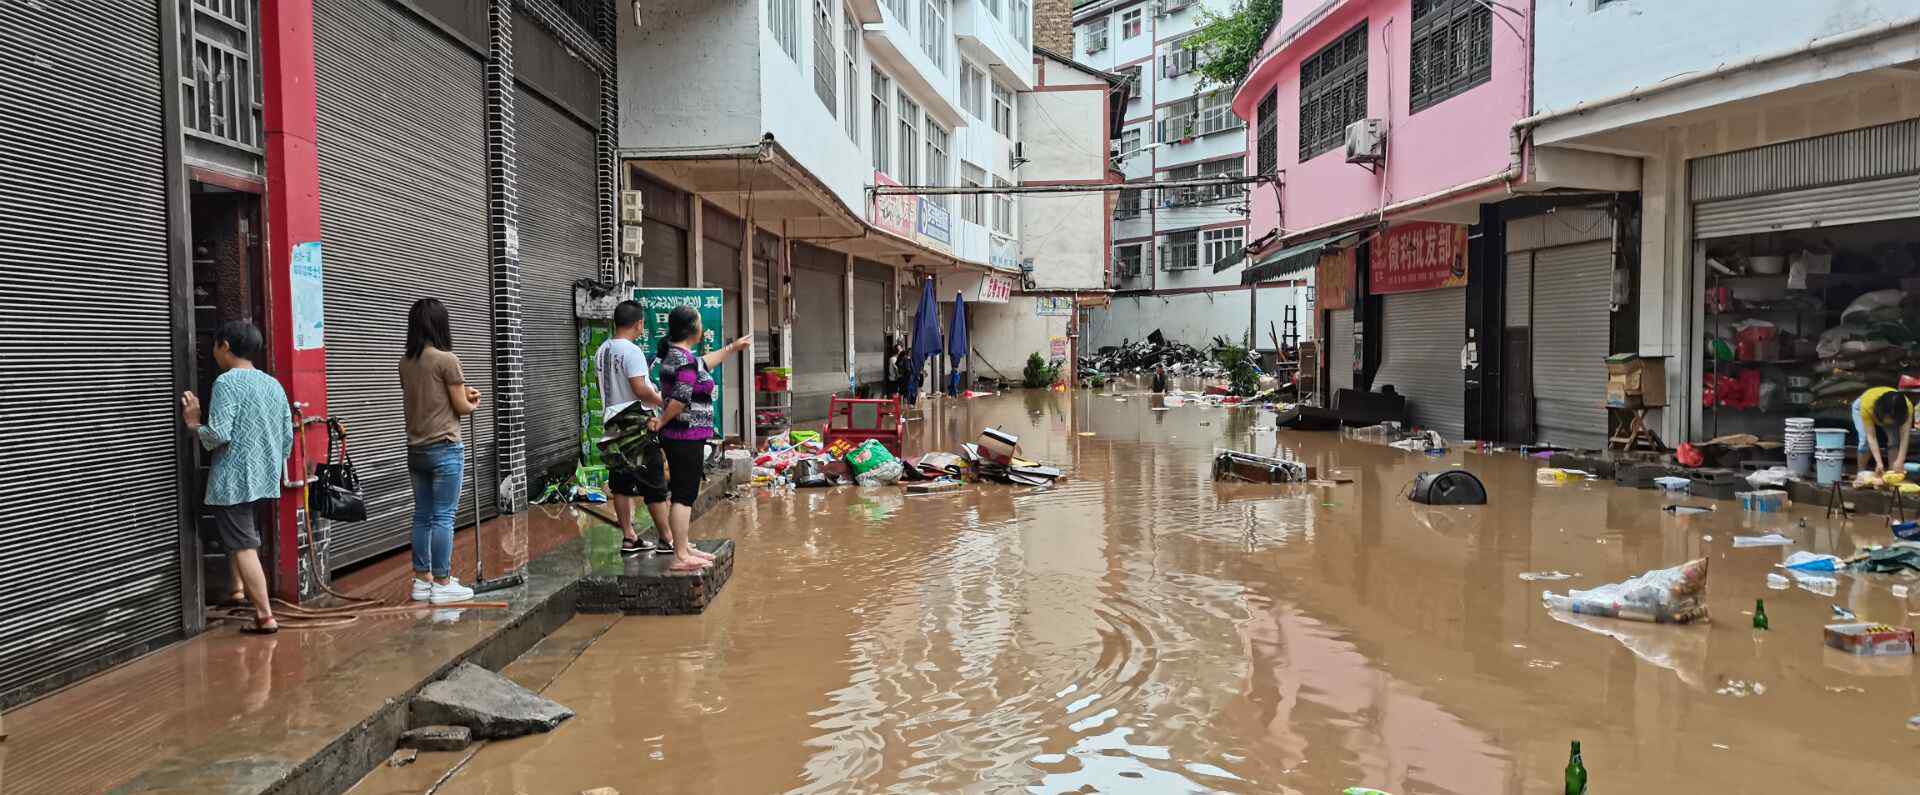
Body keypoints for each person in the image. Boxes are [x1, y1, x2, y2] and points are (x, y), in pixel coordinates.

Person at [180, 320, 293, 635]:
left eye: (214, 346)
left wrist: (193, 423)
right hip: (263, 477)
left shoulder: (227, 382)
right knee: (243, 536)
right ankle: (237, 591)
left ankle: (265, 616)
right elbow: (286, 437)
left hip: (234, 479)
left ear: (225, 346)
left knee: (243, 544)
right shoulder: (272, 384)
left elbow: (218, 434)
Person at [647, 305, 751, 572]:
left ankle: (683, 545)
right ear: (693, 329)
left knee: (683, 493)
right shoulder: (683, 360)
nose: (703, 327)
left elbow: (704, 363)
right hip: (684, 435)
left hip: (683, 435)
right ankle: (680, 555)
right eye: (700, 323)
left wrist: (732, 349)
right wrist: (662, 421)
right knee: (684, 495)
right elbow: (680, 400)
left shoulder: (680, 356)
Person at [399, 298, 479, 604]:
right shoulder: (447, 359)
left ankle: (423, 580)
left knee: (422, 514)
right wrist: (472, 401)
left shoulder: (405, 363)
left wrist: (460, 394)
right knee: (444, 516)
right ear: (440, 324)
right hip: (445, 448)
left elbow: (428, 398)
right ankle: (444, 583)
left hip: (416, 449)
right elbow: (459, 405)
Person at [595, 300, 675, 556]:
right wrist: (667, 401)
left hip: (611, 422)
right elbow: (640, 388)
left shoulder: (602, 350)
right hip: (636, 423)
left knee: (621, 480)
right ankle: (667, 539)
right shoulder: (631, 351)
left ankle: (629, 537)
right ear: (639, 324)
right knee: (654, 481)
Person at [1854, 384, 1913, 474]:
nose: (1890, 423)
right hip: (1861, 406)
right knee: (1865, 439)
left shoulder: (1907, 408)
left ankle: (1893, 473)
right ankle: (1861, 473)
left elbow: (1905, 436)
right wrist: (1879, 462)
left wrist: (1901, 460)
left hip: (1891, 412)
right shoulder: (1867, 405)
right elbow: (1871, 437)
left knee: (1894, 440)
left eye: (1893, 420)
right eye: (1888, 418)